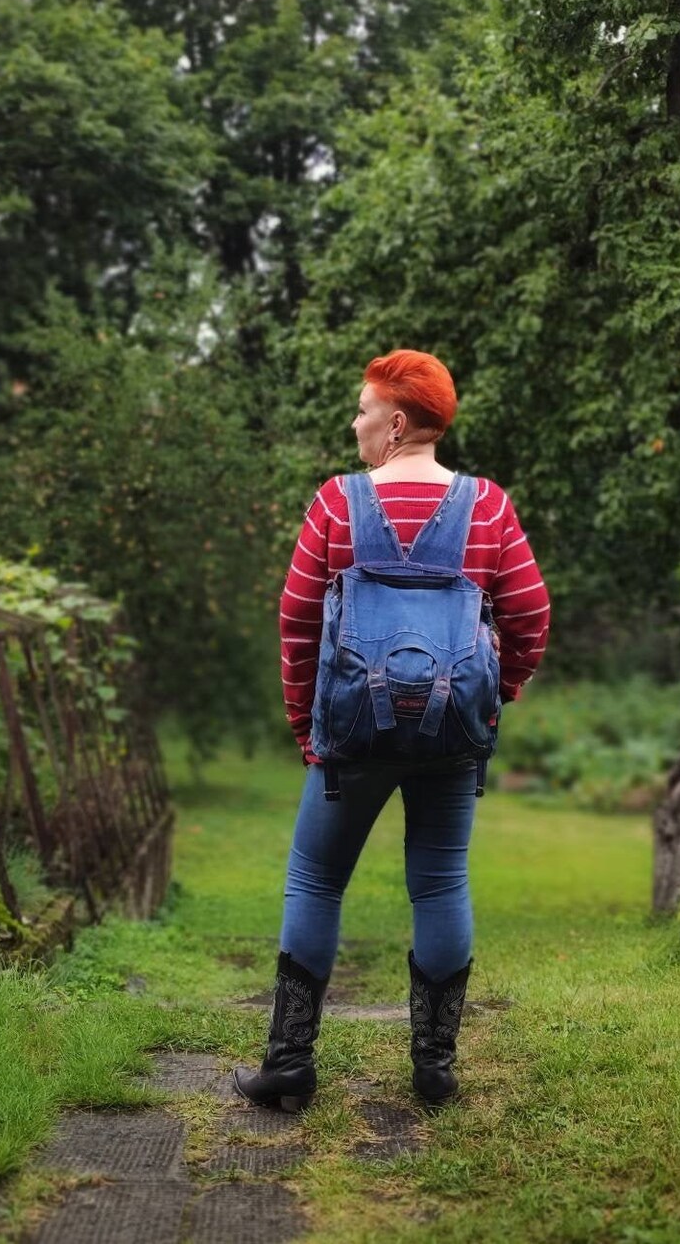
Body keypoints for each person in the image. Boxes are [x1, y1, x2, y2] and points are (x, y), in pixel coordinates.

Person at [234, 349, 549, 1112]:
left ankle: (290, 1066)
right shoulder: (489, 506)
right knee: (440, 881)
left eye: (365, 409)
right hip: (451, 738)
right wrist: (490, 700)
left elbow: (297, 618)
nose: (357, 421)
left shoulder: (338, 505)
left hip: (351, 737)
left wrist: (303, 720)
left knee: (316, 878)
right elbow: (531, 615)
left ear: (397, 422)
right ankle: (434, 1070)